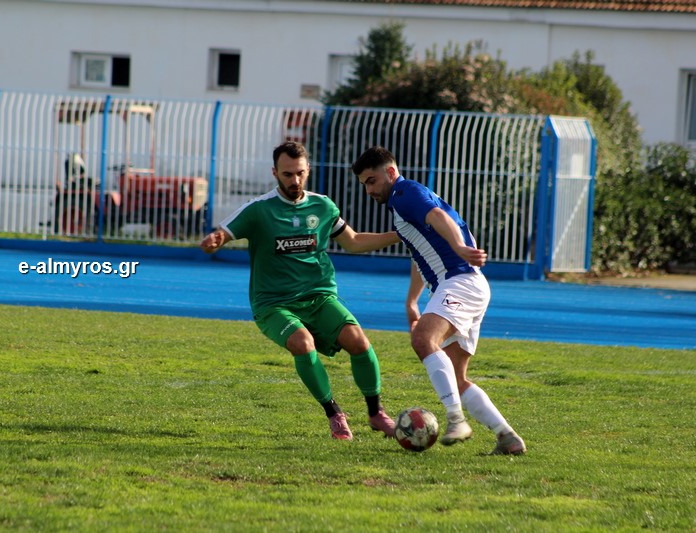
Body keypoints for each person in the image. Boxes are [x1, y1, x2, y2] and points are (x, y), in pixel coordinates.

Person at [200, 141, 401, 441]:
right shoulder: (259, 210)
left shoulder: (323, 206)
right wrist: (215, 240)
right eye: (287, 174)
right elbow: (223, 233)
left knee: (359, 342)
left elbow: (354, 241)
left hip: (319, 297)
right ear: (274, 173)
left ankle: (376, 413)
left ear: (308, 170)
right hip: (274, 304)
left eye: (300, 173)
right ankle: (334, 414)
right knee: (302, 343)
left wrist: (400, 235)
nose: (295, 180)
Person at [351, 146, 526, 455]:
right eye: (364, 184)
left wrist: (458, 246)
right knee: (457, 379)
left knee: (423, 339)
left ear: (390, 172)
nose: (368, 190)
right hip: (463, 285)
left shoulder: (404, 193)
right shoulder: (403, 204)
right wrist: (412, 301)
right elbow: (420, 251)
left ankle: (456, 420)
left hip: (459, 282)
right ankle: (507, 437)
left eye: (371, 181)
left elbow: (438, 216)